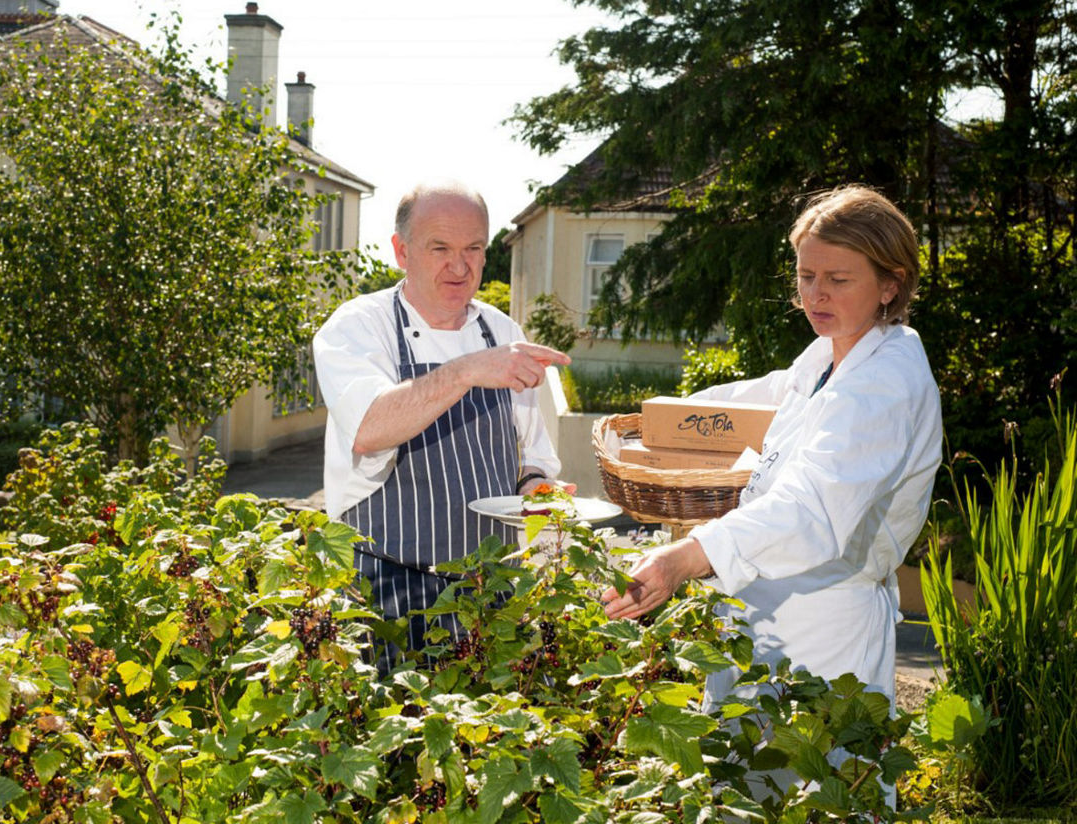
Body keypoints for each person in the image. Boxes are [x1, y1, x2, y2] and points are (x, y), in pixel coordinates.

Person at [602, 185, 942, 712]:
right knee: (736, 780)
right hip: (761, 612)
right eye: (806, 276)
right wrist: (658, 420)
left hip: (823, 632)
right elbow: (761, 398)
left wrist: (689, 557)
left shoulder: (885, 382)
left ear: (890, 286)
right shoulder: (831, 354)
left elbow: (812, 508)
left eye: (838, 279)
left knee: (811, 781)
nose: (815, 295)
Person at [313, 181, 572, 659]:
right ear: (402, 251)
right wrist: (472, 369)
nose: (460, 266)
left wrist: (537, 487)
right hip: (388, 589)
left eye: (473, 248)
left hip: (491, 590)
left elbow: (531, 457)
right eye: (440, 249)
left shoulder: (501, 331)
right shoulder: (358, 326)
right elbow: (371, 426)